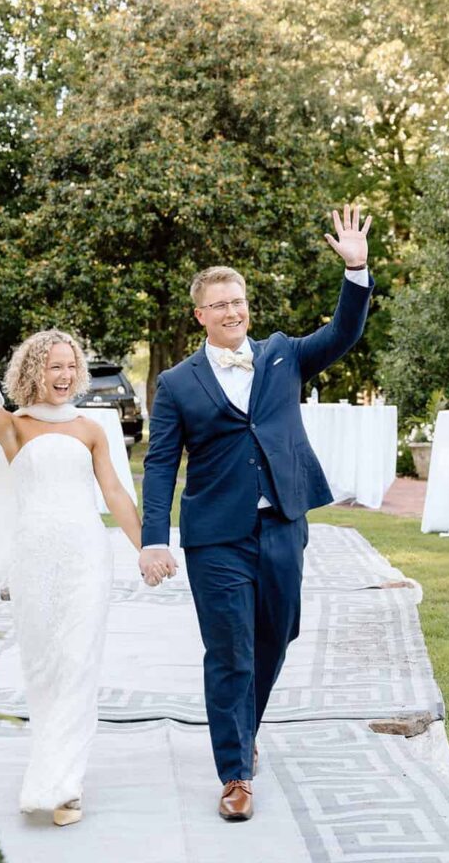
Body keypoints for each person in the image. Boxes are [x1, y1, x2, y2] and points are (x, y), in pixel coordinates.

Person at [139, 204, 373, 822]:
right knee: (231, 651)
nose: (232, 311)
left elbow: (341, 335)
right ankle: (235, 773)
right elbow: (161, 464)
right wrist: (152, 537)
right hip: (215, 537)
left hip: (282, 526)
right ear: (200, 316)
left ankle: (245, 728)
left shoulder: (282, 355)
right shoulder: (178, 383)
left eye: (237, 300)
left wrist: (356, 272)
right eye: (218, 304)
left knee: (276, 636)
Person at [0, 320, 159, 827]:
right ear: (33, 371)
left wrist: (148, 547)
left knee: (78, 662)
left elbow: (116, 495)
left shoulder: (91, 428)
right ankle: (51, 764)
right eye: (54, 365)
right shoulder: (13, 425)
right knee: (43, 668)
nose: (65, 374)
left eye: (71, 365)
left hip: (85, 556)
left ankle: (65, 786)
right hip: (33, 557)